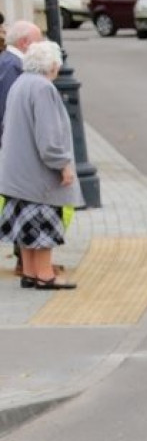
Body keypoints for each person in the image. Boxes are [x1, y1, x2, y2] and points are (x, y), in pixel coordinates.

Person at [0, 41, 82, 290]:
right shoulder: (43, 88)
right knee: (43, 226)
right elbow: (49, 137)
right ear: (53, 65)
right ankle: (45, 275)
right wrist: (63, 165)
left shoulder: (21, 83)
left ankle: (30, 272)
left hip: (17, 172)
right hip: (38, 174)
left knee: (25, 226)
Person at [0, 21, 44, 277]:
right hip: (13, 148)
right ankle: (26, 262)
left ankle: (28, 262)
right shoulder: (11, 66)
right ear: (26, 43)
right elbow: (8, 111)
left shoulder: (11, 63)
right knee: (20, 202)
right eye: (38, 40)